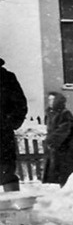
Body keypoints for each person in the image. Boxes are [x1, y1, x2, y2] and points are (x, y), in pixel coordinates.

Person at [42, 92, 73, 186]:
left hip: (67, 147)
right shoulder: (51, 113)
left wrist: (52, 140)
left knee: (67, 172)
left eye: (52, 100)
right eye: (49, 100)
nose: (50, 102)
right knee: (60, 172)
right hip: (58, 147)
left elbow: (64, 129)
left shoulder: (65, 113)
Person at [0, 58, 28, 192]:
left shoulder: (6, 78)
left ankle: (13, 208)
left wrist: (8, 123)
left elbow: (20, 104)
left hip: (2, 134)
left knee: (6, 172)